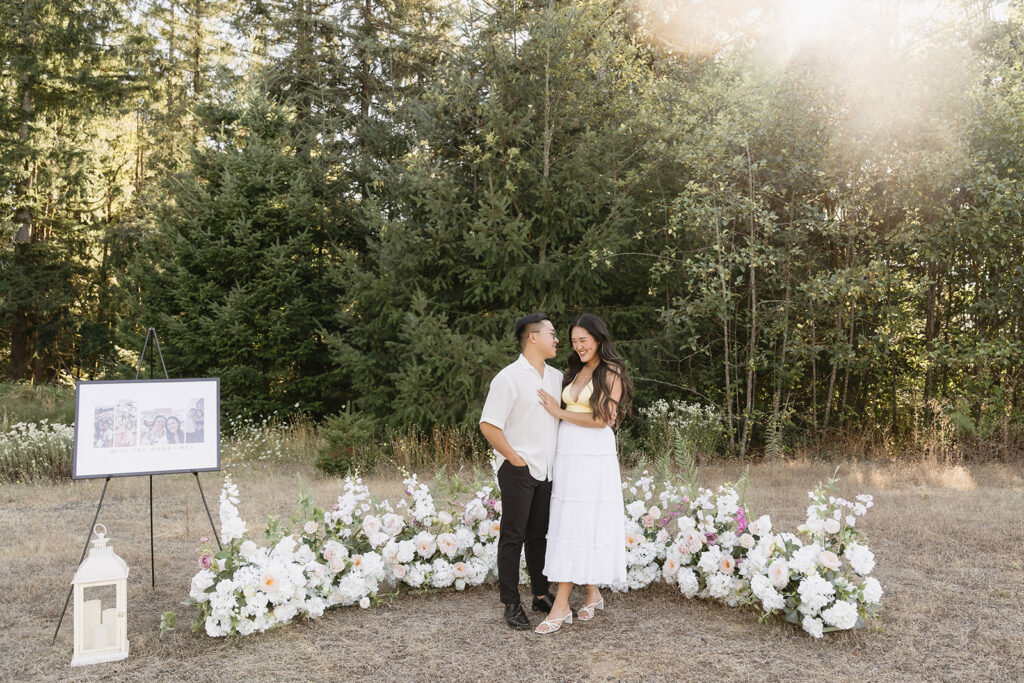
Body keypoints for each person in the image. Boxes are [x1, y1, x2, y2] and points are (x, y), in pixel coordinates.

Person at [534, 313, 633, 634]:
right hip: (568, 453)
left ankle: (561, 604)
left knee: (579, 521)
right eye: (574, 342)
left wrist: (558, 411)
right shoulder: (574, 371)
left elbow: (604, 418)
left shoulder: (611, 371)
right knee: (570, 520)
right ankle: (592, 591)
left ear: (599, 339)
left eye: (584, 341)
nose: (578, 347)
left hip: (594, 455)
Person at [479, 313, 563, 630]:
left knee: (539, 536)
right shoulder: (508, 378)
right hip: (518, 469)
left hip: (547, 471)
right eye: (551, 334)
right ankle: (510, 603)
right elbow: (488, 425)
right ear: (532, 337)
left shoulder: (556, 378)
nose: (556, 340)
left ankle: (540, 595)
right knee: (513, 538)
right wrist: (515, 459)